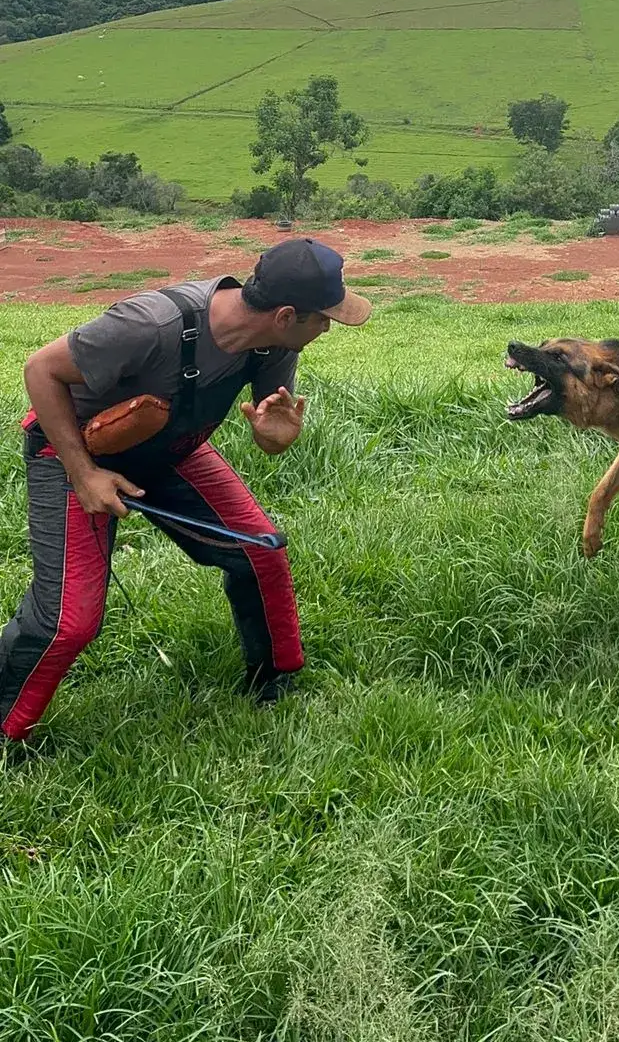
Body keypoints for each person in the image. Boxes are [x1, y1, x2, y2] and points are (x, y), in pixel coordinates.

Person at [0, 237, 371, 749]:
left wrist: (275, 437)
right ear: (287, 314)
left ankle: (274, 681)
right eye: (323, 318)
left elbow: (272, 425)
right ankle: (5, 731)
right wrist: (84, 474)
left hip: (171, 449)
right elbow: (40, 369)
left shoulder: (274, 344)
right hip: (70, 451)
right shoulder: (150, 325)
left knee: (259, 550)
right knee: (69, 620)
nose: (328, 327)